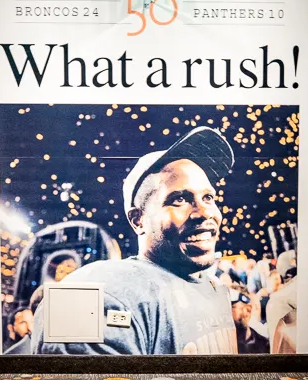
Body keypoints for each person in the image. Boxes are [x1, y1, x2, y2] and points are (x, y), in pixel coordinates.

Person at [29, 127, 238, 354]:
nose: (204, 212)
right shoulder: (97, 295)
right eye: (179, 199)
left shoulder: (213, 286)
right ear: (138, 220)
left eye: (208, 197)